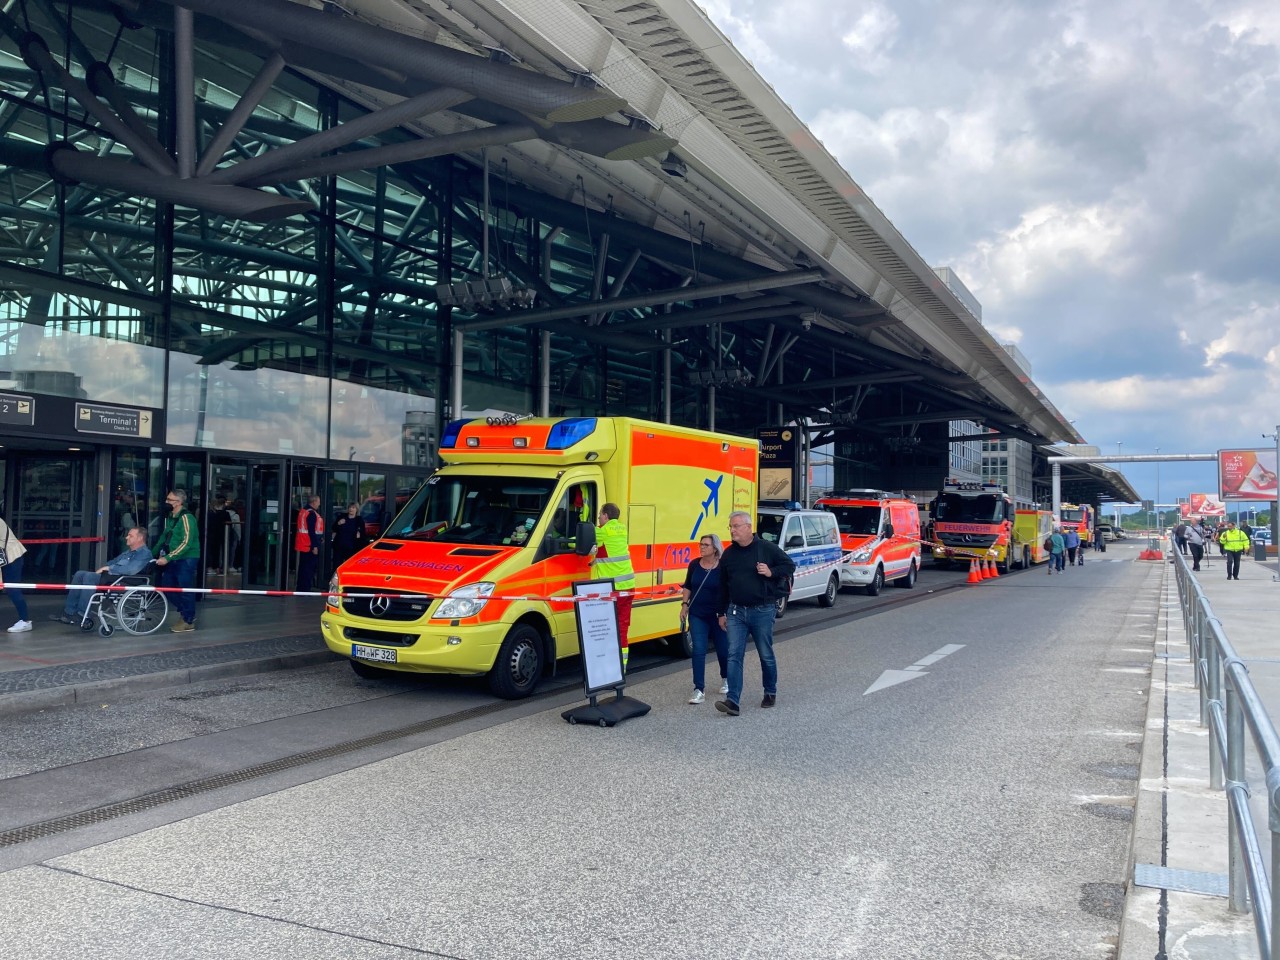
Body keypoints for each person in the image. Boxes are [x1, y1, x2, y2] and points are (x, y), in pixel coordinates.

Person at [714, 510, 795, 716]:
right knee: (734, 655)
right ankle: (732, 700)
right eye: (730, 526)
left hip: (762, 610)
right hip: (735, 612)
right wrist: (720, 613)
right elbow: (723, 585)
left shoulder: (767, 548)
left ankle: (770, 691)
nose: (732, 530)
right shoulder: (728, 555)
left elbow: (789, 565)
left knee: (765, 654)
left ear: (748, 528)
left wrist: (771, 572)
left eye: (736, 526)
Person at [51, 526, 152, 625]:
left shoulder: (144, 554)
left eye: (130, 536)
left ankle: (82, 613)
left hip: (124, 581)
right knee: (79, 574)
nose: (126, 537)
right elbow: (113, 561)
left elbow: (131, 570)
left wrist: (109, 569)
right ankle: (69, 612)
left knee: (89, 577)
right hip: (112, 578)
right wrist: (106, 568)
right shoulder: (128, 552)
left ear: (140, 538)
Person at [681, 533, 729, 704]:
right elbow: (688, 585)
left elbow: (728, 590)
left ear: (715, 548)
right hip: (697, 614)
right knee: (699, 650)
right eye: (700, 544)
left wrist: (726, 612)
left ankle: (726, 677)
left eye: (705, 545)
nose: (701, 547)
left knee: (723, 650)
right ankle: (698, 689)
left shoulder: (723, 566)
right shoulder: (694, 564)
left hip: (718, 615)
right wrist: (684, 605)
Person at [589, 502, 635, 672]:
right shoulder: (622, 529)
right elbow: (609, 552)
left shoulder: (602, 531)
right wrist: (596, 560)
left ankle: (604, 666)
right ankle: (621, 668)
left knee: (603, 627)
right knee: (622, 627)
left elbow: (578, 541)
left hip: (612, 587)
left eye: (600, 514)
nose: (599, 518)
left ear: (606, 516)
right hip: (628, 586)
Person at [155, 489, 201, 632]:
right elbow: (165, 536)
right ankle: (187, 613)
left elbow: (187, 542)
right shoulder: (171, 516)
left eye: (170, 500)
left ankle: (187, 619)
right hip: (174, 557)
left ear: (179, 502)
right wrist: (152, 553)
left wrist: (168, 557)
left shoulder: (187, 518)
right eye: (167, 499)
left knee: (184, 588)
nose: (166, 502)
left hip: (187, 558)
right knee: (167, 586)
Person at [0, 515, 31, 633]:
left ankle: (24, 620)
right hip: (7, 558)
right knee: (12, 589)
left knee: (13, 589)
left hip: (13, 557)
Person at [295, 495, 325, 592]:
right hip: (309, 545)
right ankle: (305, 589)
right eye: (318, 502)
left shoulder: (303, 511)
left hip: (303, 543)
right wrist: (315, 546)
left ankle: (300, 588)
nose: (319, 504)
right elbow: (311, 531)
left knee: (303, 567)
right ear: (314, 502)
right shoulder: (311, 514)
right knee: (309, 568)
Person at [331, 502, 367, 573]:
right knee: (337, 566)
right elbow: (333, 528)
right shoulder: (342, 517)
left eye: (353, 508)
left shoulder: (359, 520)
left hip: (351, 548)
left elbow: (363, 534)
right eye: (350, 507)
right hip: (340, 547)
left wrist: (359, 535)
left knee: (349, 566)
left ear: (356, 510)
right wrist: (338, 523)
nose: (351, 509)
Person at [206, 497, 231, 574]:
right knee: (218, 551)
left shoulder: (210, 513)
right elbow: (229, 523)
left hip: (210, 534)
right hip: (221, 534)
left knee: (211, 550)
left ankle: (211, 566)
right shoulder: (225, 513)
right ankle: (217, 567)